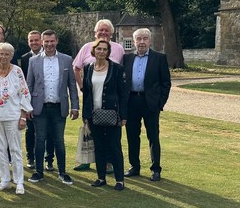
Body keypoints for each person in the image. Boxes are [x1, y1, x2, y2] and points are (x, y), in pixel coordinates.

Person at [26, 30, 79, 185]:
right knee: (39, 140)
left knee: (59, 141)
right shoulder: (33, 61)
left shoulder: (66, 60)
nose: (49, 44)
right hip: (39, 107)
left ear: (57, 41)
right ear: (42, 42)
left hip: (58, 107)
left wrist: (75, 106)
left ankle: (62, 172)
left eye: (52, 41)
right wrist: (27, 107)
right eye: (46, 41)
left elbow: (72, 86)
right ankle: (39, 172)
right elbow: (29, 85)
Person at [71, 19, 125, 172]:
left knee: (109, 134)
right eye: (100, 30)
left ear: (111, 33)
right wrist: (82, 87)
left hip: (110, 100)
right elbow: (76, 68)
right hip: (91, 98)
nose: (103, 33)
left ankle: (108, 163)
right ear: (95, 33)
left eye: (106, 30)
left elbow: (121, 74)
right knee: (89, 130)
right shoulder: (87, 47)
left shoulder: (119, 49)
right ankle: (86, 160)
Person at [0, 43, 32, 194]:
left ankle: (19, 181)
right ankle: (4, 179)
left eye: (6, 54)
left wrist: (23, 117)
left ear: (11, 56)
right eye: (1, 54)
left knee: (15, 149)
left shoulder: (17, 71)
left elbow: (24, 93)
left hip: (13, 116)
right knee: (0, 149)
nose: (3, 57)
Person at [123, 28, 171, 181]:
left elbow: (166, 83)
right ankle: (134, 166)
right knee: (132, 135)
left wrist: (160, 102)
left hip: (150, 103)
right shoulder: (127, 59)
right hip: (132, 101)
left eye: (145, 38)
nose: (142, 42)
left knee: (153, 136)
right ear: (134, 41)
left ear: (150, 41)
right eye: (139, 39)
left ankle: (156, 169)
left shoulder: (159, 58)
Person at [82, 39, 128, 190]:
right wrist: (85, 114)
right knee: (99, 147)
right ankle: (101, 177)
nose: (101, 52)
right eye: (99, 49)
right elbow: (87, 93)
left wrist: (123, 116)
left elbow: (123, 93)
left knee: (114, 147)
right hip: (94, 114)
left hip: (112, 114)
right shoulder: (88, 68)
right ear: (94, 51)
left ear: (108, 52)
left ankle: (119, 180)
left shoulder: (117, 69)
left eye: (104, 49)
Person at [19, 30, 54, 171]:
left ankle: (49, 159)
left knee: (49, 132)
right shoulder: (25, 58)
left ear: (41, 41)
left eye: (36, 40)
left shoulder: (50, 56)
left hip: (48, 100)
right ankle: (31, 157)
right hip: (31, 101)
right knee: (31, 131)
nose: (33, 43)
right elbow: (24, 82)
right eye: (30, 40)